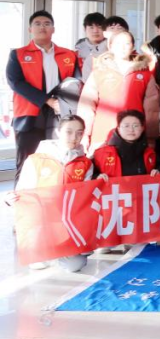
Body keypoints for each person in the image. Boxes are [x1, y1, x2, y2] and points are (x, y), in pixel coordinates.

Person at [7, 10, 82, 180]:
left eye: (47, 24)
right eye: (38, 24)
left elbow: (76, 83)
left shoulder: (69, 55)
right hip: (29, 116)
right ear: (30, 29)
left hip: (60, 115)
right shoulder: (18, 54)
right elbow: (15, 83)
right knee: (27, 164)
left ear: (53, 29)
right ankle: (22, 197)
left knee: (58, 163)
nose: (42, 27)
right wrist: (47, 100)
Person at [13, 115, 94, 271]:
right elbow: (23, 192)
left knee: (74, 265)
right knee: (38, 264)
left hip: (67, 222)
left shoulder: (85, 163)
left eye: (79, 133)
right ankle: (45, 250)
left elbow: (85, 198)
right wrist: (11, 200)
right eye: (68, 132)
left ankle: (62, 252)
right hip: (42, 221)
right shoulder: (36, 160)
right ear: (58, 132)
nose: (74, 138)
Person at [76, 31, 159, 154]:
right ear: (110, 46)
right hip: (103, 133)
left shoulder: (144, 74)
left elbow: (152, 109)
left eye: (127, 43)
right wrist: (84, 135)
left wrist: (151, 137)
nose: (122, 47)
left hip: (134, 134)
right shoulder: (99, 72)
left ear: (133, 46)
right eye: (118, 43)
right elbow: (87, 106)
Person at [92, 110, 159, 179]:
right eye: (126, 126)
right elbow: (89, 174)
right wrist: (97, 177)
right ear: (118, 129)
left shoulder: (150, 153)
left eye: (136, 126)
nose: (131, 130)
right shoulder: (101, 154)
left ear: (142, 128)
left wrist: (159, 172)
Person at [74, 12, 108, 79]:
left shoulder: (112, 48)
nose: (95, 31)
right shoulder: (77, 52)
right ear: (84, 29)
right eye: (91, 27)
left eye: (99, 27)